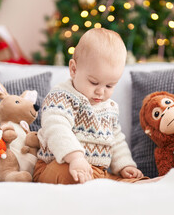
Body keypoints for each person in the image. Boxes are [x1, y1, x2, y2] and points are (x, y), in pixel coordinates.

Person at [33, 28, 148, 184]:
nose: (100, 92)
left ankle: (139, 184)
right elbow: (56, 128)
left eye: (109, 86)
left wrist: (125, 165)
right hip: (57, 165)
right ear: (74, 69)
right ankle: (100, 186)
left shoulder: (110, 108)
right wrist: (75, 157)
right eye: (94, 82)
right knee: (66, 173)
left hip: (97, 171)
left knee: (128, 181)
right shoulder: (61, 97)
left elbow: (116, 140)